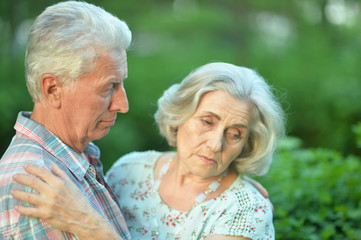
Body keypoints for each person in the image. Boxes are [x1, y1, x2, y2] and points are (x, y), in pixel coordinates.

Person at [11, 62, 285, 240]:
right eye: (207, 122)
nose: (216, 144)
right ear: (179, 117)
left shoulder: (244, 210)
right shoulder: (131, 169)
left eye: (235, 134)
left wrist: (89, 226)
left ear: (247, 143)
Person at [0, 1, 132, 239]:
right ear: (52, 90)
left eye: (121, 84)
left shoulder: (72, 159)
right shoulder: (38, 183)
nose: (123, 105)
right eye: (108, 87)